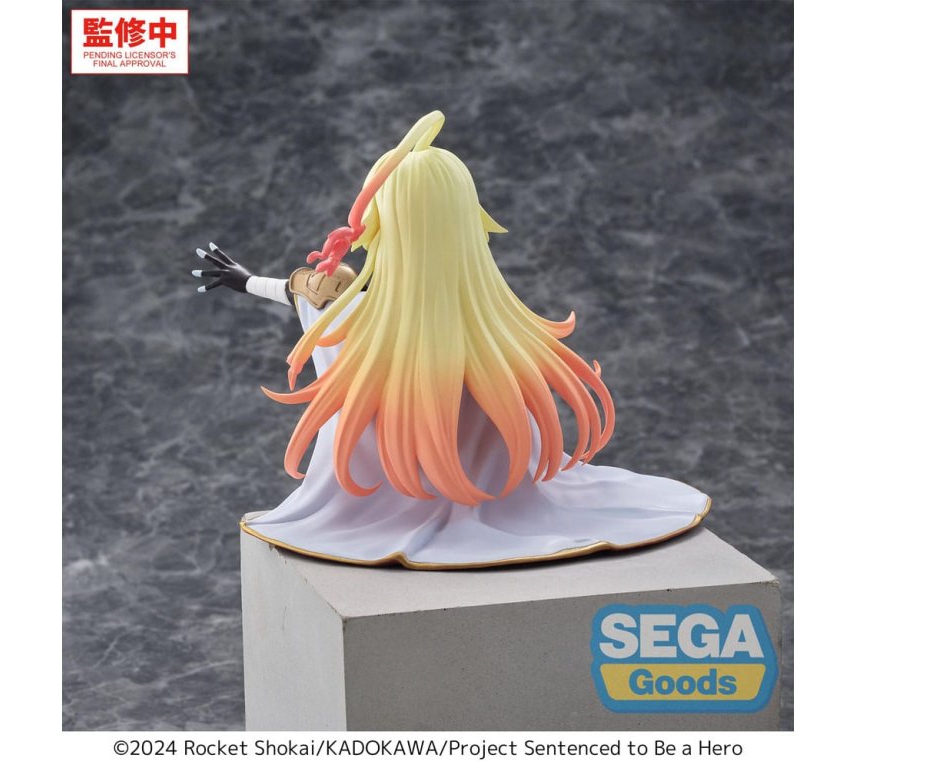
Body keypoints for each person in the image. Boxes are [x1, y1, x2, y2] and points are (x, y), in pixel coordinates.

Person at [192, 111, 710, 568]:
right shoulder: (499, 328)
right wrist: (257, 282)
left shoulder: (356, 320)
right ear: (468, 218)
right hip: (502, 490)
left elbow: (300, 294)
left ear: (385, 224)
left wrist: (245, 280)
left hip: (384, 501)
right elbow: (304, 293)